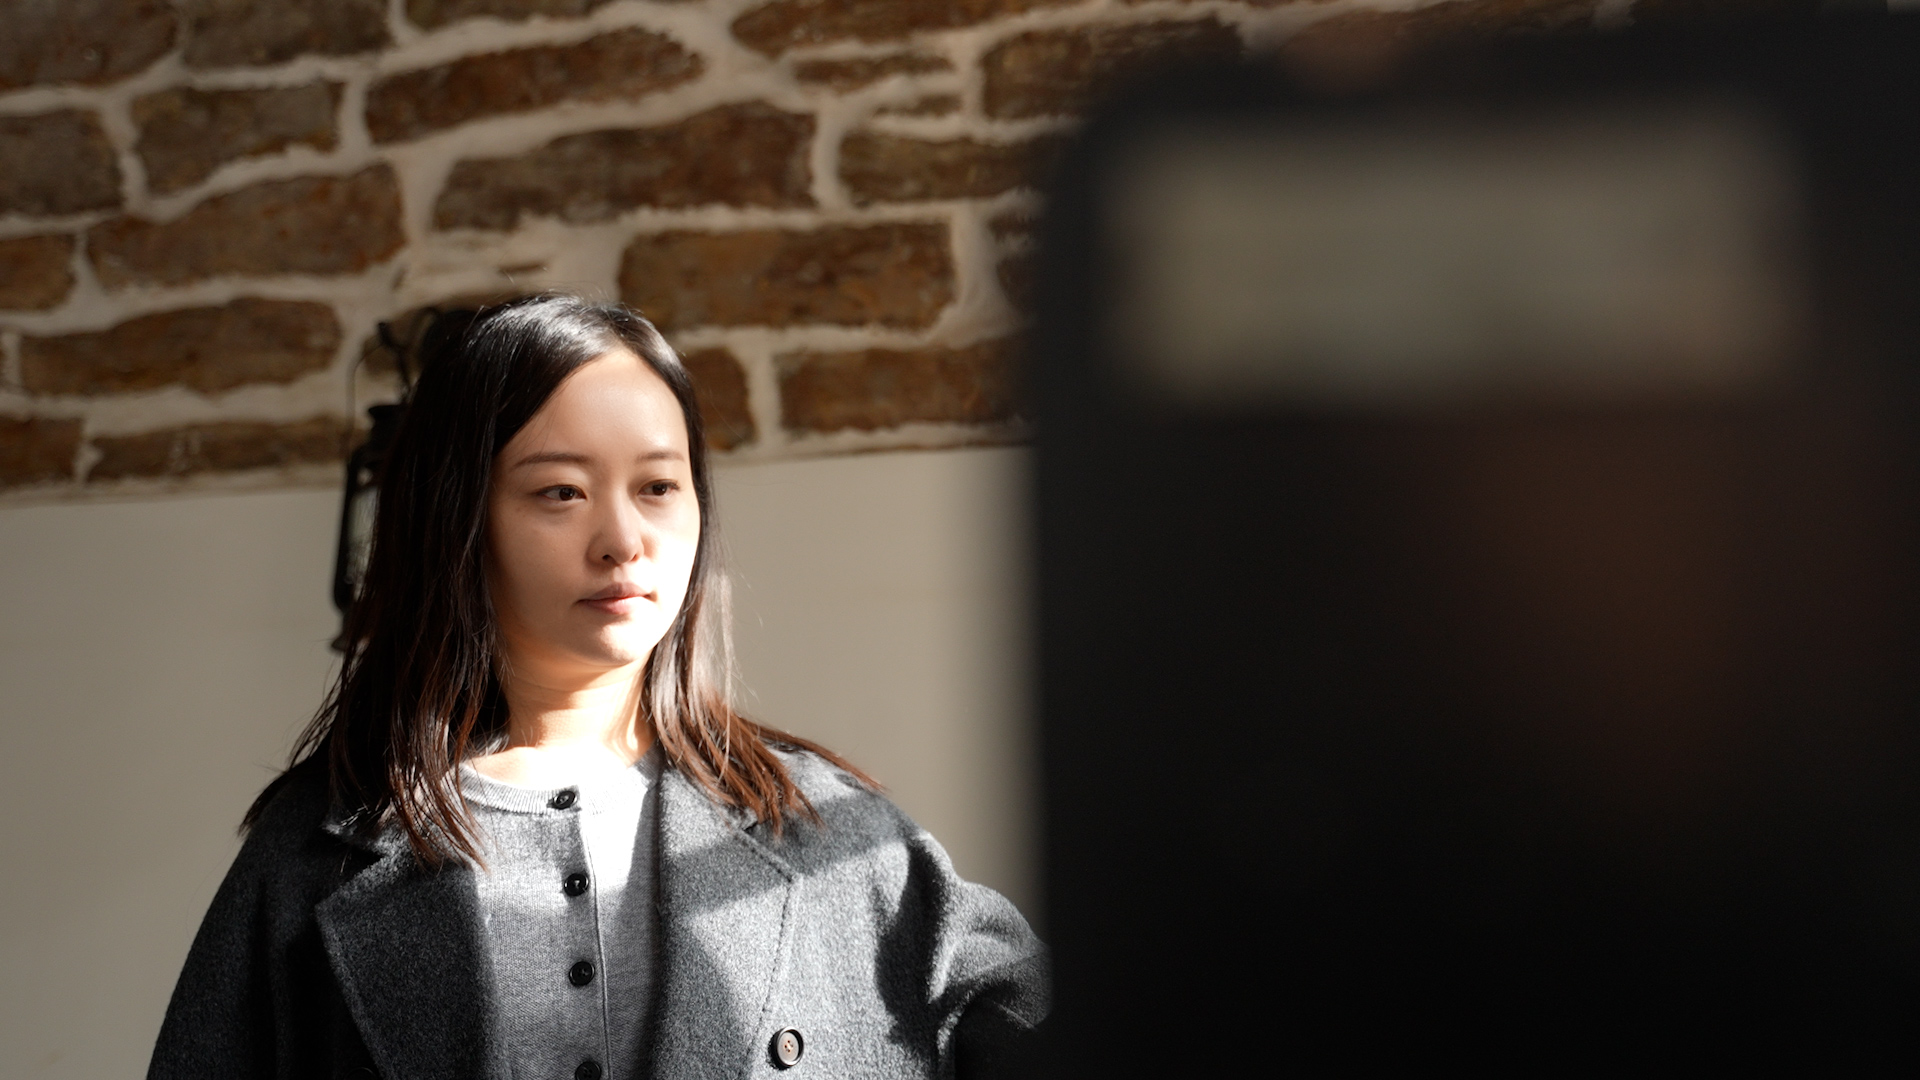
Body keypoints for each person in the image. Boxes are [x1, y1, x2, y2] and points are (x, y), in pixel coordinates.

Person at [147, 296, 1048, 1080]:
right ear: (458, 519)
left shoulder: (829, 831)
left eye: (657, 486)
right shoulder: (314, 852)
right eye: (561, 493)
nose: (623, 540)